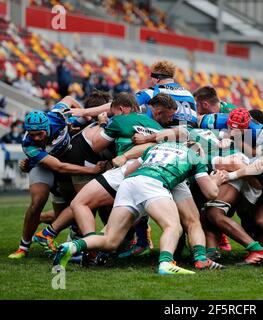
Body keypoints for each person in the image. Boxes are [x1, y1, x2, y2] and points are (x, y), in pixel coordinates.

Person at [53, 141, 226, 275]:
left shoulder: (157, 148)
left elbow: (127, 172)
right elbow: (210, 193)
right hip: (153, 183)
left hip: (129, 183)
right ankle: (166, 263)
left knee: (110, 240)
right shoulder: (194, 156)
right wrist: (216, 181)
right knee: (173, 227)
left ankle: (71, 246)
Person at [8, 97, 106, 259]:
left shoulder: (57, 116)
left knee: (69, 210)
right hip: (45, 166)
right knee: (38, 200)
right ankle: (23, 247)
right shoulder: (28, 144)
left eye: (40, 134)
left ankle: (40, 225)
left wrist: (86, 115)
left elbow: (69, 99)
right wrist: (91, 171)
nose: (37, 138)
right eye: (32, 135)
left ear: (47, 127)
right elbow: (57, 166)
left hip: (67, 164)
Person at [135, 60, 197, 127]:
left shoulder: (151, 92)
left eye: (152, 77)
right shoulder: (189, 94)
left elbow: (129, 104)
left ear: (157, 79)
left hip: (164, 134)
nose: (151, 80)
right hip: (189, 133)